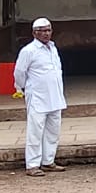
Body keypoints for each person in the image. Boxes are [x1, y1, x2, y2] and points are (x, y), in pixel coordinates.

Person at [13, 17, 67, 176]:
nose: (46, 33)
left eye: (48, 30)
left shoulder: (53, 48)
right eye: (42, 31)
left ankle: (48, 161)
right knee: (35, 132)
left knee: (53, 131)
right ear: (34, 33)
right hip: (37, 97)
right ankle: (32, 165)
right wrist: (24, 88)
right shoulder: (29, 51)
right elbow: (19, 73)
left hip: (55, 96)